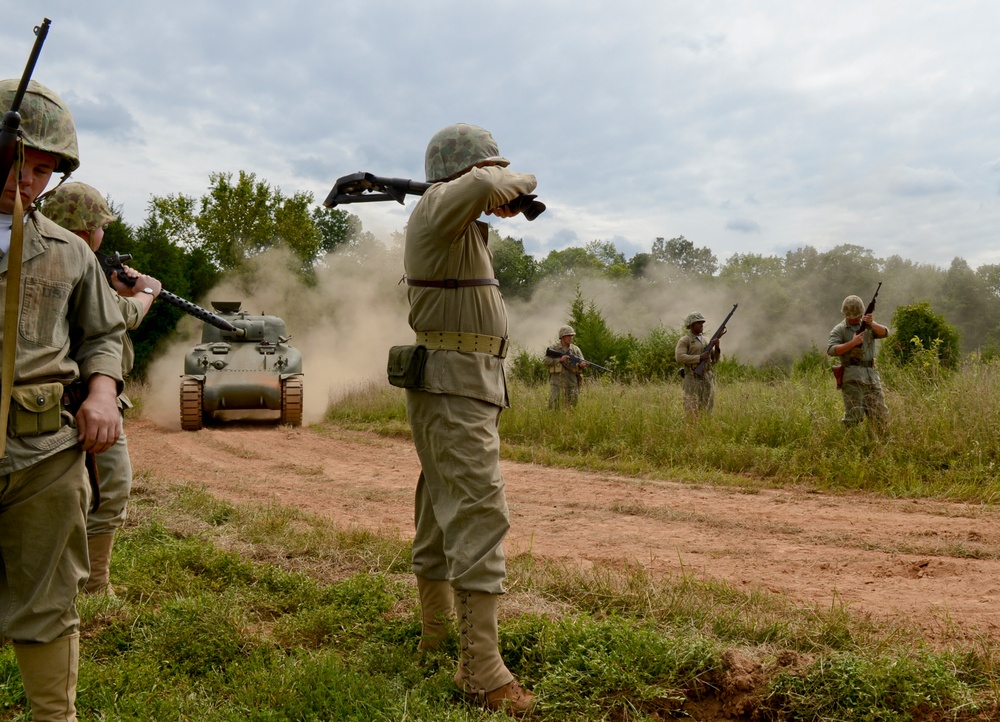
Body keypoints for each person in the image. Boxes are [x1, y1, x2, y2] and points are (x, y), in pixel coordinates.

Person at [0, 79, 125, 720]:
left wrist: (102, 391)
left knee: (49, 600)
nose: (30, 180)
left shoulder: (71, 250)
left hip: (44, 452)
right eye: (20, 161)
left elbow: (103, 334)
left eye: (44, 169)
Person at [402, 123, 535, 715]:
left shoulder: (458, 225)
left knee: (440, 504)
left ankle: (436, 633)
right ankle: (481, 670)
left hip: (463, 383)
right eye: (490, 170)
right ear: (467, 171)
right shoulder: (436, 205)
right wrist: (513, 183)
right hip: (454, 382)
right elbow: (487, 182)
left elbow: (482, 189)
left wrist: (496, 198)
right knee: (480, 506)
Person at [41, 182, 162, 595]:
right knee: (110, 491)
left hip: (58, 400)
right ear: (87, 229)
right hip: (85, 397)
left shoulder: (49, 257)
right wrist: (147, 293)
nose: (103, 234)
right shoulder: (72, 261)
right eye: (101, 226)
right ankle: (94, 586)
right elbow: (121, 316)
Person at [827, 294, 889, 427]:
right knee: (854, 417)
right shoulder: (840, 329)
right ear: (845, 314)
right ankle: (848, 444)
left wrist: (872, 323)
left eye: (857, 316)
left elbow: (885, 333)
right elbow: (831, 350)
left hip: (871, 376)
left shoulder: (868, 326)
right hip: (852, 377)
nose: (855, 319)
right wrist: (852, 342)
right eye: (851, 317)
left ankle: (880, 443)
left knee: (881, 416)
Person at [675, 311, 723, 414]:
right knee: (691, 407)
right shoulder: (685, 340)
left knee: (707, 407)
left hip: (707, 377)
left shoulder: (706, 340)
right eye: (698, 323)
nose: (701, 325)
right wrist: (699, 357)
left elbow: (714, 360)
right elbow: (679, 357)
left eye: (702, 322)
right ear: (691, 325)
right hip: (692, 378)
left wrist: (717, 347)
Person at [543, 324, 589, 409]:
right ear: (562, 337)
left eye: (571, 335)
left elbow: (582, 361)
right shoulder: (554, 348)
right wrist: (559, 360)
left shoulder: (575, 349)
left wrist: (582, 365)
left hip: (572, 383)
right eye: (568, 335)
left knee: (572, 408)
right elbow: (545, 361)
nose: (570, 337)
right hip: (557, 383)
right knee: (553, 407)